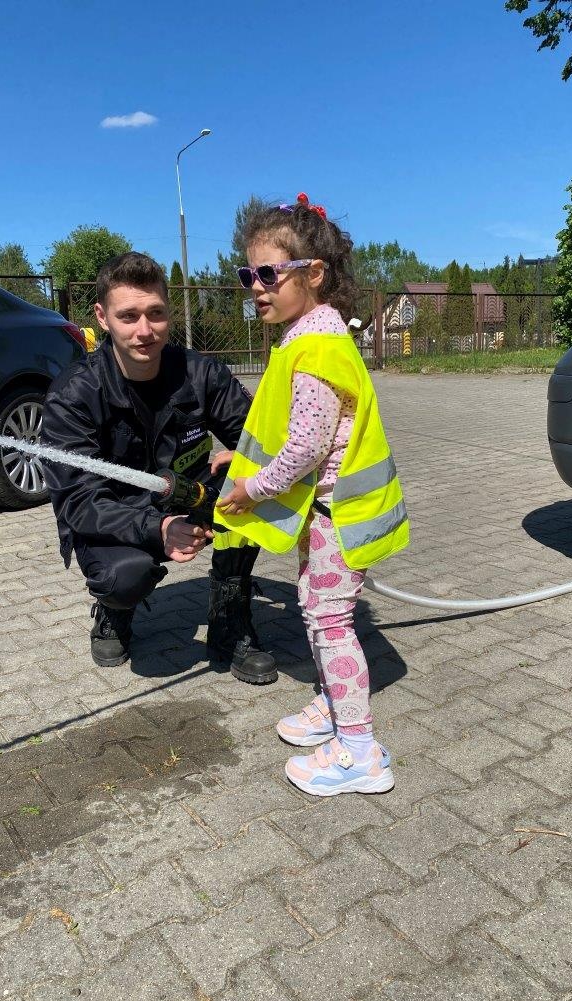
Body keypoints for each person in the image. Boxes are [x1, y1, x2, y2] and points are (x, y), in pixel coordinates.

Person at [215, 194, 409, 797]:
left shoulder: (316, 347)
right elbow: (290, 431)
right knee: (316, 607)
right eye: (247, 274)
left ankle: (360, 751)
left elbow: (305, 447)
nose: (256, 287)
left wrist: (251, 488)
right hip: (325, 513)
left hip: (336, 514)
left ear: (314, 273)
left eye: (268, 273)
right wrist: (236, 460)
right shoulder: (308, 335)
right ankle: (332, 705)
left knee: (329, 622)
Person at [40, 251, 276, 685]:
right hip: (115, 512)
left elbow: (258, 438)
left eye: (156, 313)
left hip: (186, 492)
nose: (145, 330)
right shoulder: (73, 394)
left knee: (254, 484)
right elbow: (76, 501)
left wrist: (251, 459)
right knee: (123, 576)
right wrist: (158, 528)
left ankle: (230, 614)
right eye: (128, 316)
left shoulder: (201, 373)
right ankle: (114, 610)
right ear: (102, 317)